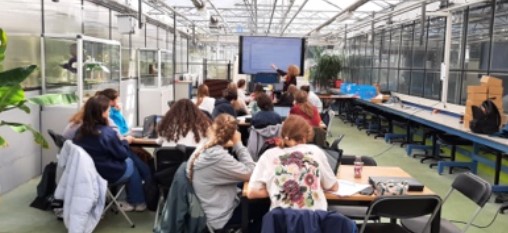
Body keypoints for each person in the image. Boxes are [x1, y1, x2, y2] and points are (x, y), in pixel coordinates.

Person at [247, 115, 338, 210]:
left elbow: (252, 192)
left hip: (281, 221)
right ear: (304, 137)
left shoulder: (268, 155)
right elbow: (333, 186)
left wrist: (277, 188)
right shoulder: (315, 151)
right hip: (314, 221)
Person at [73, 95, 146, 212]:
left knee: (130, 162)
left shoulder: (79, 132)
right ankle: (137, 201)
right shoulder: (107, 133)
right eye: (108, 110)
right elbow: (122, 154)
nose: (109, 113)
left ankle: (136, 200)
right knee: (130, 162)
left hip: (88, 174)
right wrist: (125, 142)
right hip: (108, 173)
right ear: (102, 113)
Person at [186, 114, 255, 230]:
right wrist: (238, 144)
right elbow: (252, 172)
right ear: (233, 135)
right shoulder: (217, 157)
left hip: (208, 207)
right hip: (220, 218)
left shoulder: (203, 148)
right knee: (262, 204)